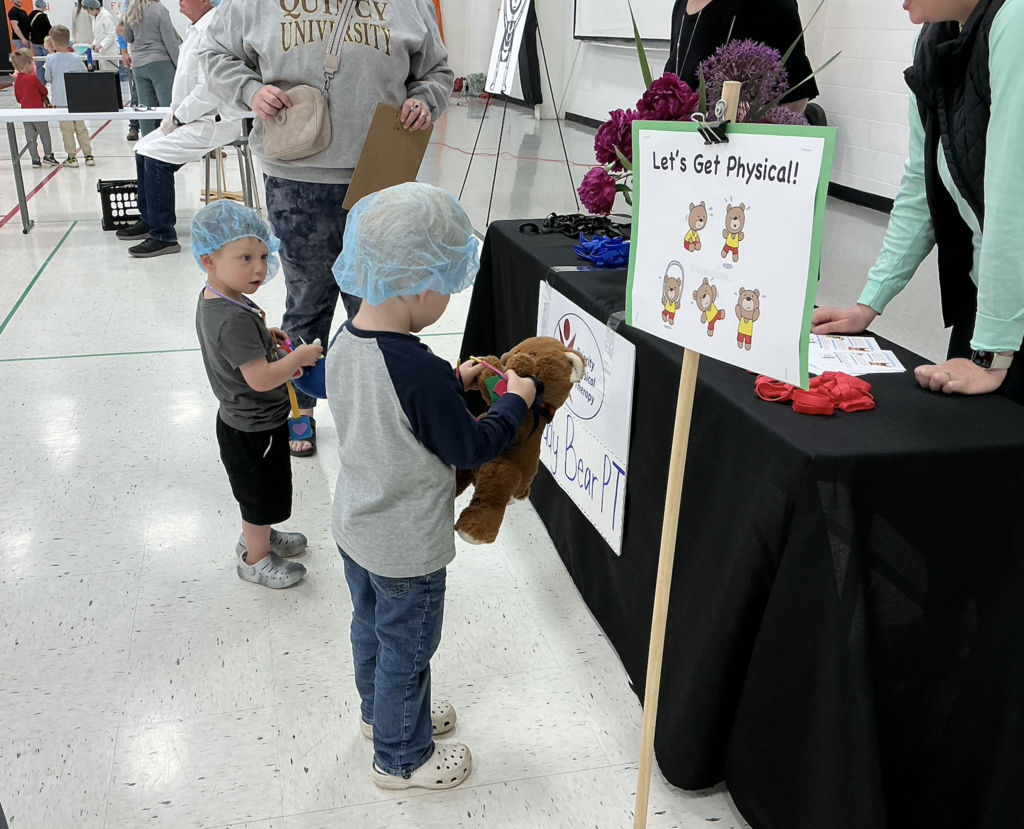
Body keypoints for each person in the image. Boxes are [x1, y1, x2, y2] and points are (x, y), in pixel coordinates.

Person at [326, 183, 535, 791]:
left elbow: (392, 402)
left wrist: (453, 378)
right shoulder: (415, 368)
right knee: (408, 650)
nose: (446, 296)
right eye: (446, 284)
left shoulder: (349, 338)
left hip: (357, 524)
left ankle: (380, 717)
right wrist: (516, 403)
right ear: (417, 284)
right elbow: (471, 446)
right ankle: (402, 757)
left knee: (371, 629)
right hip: (405, 546)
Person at [201, 0, 454, 457]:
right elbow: (214, 54)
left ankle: (384, 414)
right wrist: (250, 90)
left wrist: (425, 100)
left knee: (384, 306)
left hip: (383, 175)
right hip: (296, 179)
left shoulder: (409, 4)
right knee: (307, 304)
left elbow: (436, 71)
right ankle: (301, 410)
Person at [813, 0, 1024, 402]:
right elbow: (921, 185)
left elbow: (1012, 197)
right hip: (989, 294)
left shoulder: (1016, 20)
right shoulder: (934, 38)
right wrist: (868, 304)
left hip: (1007, 312)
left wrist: (992, 354)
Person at [193, 201, 322, 589]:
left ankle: (260, 534)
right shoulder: (231, 319)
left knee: (262, 492)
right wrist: (299, 357)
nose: (259, 268)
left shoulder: (222, 297)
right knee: (258, 495)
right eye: (245, 257)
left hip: (248, 420)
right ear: (208, 259)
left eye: (264, 256)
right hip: (253, 428)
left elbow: (242, 348)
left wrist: (266, 338)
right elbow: (262, 379)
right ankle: (256, 558)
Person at [114, 0, 243, 258]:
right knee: (142, 148)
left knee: (156, 157)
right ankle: (150, 219)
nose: (180, 2)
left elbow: (209, 89)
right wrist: (176, 116)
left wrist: (180, 118)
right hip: (191, 116)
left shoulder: (214, 30)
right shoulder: (196, 29)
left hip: (214, 120)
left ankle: (164, 236)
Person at [665, 0, 818, 110]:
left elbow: (791, 99)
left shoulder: (767, 5)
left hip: (737, 149)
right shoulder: (681, 5)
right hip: (685, 148)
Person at [122, 0, 179, 136]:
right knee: (167, 107)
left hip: (139, 65)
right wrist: (178, 65)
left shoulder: (131, 11)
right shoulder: (160, 10)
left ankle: (146, 146)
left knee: (145, 108)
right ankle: (168, 142)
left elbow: (128, 37)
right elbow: (170, 41)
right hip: (160, 63)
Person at [45, 26, 95, 168]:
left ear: (53, 42)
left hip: (60, 100)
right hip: (76, 99)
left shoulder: (51, 59)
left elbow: (48, 77)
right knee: (81, 128)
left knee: (66, 130)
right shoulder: (76, 58)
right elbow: (85, 74)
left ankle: (72, 157)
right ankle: (88, 155)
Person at [9, 48, 58, 168]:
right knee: (44, 134)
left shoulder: (17, 81)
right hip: (38, 111)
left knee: (30, 136)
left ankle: (35, 159)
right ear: (27, 65)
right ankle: (48, 155)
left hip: (25, 111)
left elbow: (18, 98)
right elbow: (44, 91)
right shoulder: (33, 78)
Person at [83, 0, 118, 70]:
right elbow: (98, 35)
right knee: (103, 73)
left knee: (111, 74)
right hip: (101, 52)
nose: (88, 13)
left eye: (89, 10)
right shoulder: (95, 18)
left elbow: (112, 34)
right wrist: (93, 44)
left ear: (92, 8)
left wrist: (101, 45)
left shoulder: (106, 15)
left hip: (109, 51)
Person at [27, 0, 51, 83]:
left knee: (39, 63)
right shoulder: (43, 16)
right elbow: (49, 29)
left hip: (34, 42)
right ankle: (49, 79)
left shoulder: (30, 15)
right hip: (44, 42)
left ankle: (41, 81)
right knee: (48, 62)